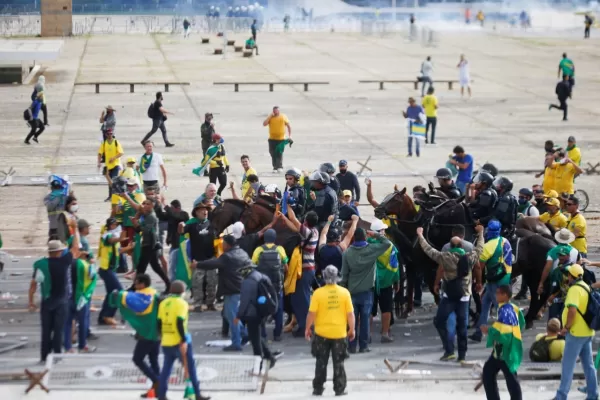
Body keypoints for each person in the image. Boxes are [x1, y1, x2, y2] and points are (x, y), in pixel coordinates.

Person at [417, 224, 484, 362]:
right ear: (462, 244)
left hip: (448, 295)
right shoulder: (469, 257)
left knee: (440, 321)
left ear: (451, 246)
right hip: (464, 295)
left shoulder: (444, 257)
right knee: (462, 326)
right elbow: (479, 248)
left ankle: (449, 350)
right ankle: (462, 356)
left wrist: (420, 235)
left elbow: (428, 249)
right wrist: (481, 233)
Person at [195, 235, 252, 350]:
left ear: (228, 245)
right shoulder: (242, 253)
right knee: (227, 314)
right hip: (241, 288)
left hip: (232, 290)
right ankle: (245, 334)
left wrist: (197, 264)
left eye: (223, 243)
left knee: (232, 317)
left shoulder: (227, 257)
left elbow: (213, 264)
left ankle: (236, 343)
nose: (222, 245)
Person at [340, 227, 392, 353]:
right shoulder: (372, 250)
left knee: (351, 319)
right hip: (367, 292)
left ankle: (351, 346)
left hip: (351, 292)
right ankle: (364, 346)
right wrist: (375, 234)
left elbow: (344, 275)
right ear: (365, 237)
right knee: (364, 319)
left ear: (354, 238)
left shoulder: (347, 253)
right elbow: (388, 244)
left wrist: (343, 291)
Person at [29, 235, 80, 363]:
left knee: (46, 330)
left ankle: (44, 356)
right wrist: (75, 229)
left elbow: (33, 285)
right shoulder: (65, 262)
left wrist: (31, 301)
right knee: (58, 330)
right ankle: (56, 355)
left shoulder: (40, 264)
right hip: (61, 302)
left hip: (47, 302)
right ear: (59, 251)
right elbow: (75, 247)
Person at [306, 265, 355, 396]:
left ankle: (318, 388)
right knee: (339, 362)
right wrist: (352, 329)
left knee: (321, 361)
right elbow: (350, 314)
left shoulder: (318, 293)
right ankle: (339, 389)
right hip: (339, 333)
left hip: (321, 334)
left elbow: (311, 314)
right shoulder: (344, 293)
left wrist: (307, 329)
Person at [157, 281, 211, 400]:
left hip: (166, 340)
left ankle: (161, 394)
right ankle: (196, 393)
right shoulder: (182, 303)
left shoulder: (163, 303)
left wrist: (161, 336)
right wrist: (183, 340)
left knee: (166, 369)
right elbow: (179, 322)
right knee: (190, 368)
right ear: (183, 292)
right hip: (179, 341)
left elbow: (159, 322)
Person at [110, 274, 161, 398]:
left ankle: (157, 381)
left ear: (142, 284)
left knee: (137, 359)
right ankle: (158, 389)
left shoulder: (142, 296)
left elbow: (123, 298)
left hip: (147, 334)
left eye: (136, 283)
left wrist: (117, 294)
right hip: (158, 333)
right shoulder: (155, 293)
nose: (135, 286)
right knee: (153, 360)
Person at [553, 264, 597, 400]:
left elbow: (572, 310)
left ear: (571, 276)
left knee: (567, 365)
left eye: (568, 275)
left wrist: (566, 327)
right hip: (587, 332)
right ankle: (593, 394)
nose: (567, 277)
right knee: (589, 366)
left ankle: (561, 396)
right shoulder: (585, 286)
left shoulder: (574, 290)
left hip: (576, 333)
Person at [278, 207, 319, 338]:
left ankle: (305, 327)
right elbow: (294, 226)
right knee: (298, 298)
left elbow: (294, 219)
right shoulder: (313, 231)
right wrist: (284, 218)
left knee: (303, 300)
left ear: (306, 221)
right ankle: (303, 324)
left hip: (305, 270)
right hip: (308, 269)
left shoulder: (307, 232)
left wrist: (288, 204)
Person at [470, 220, 513, 343]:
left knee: (501, 308)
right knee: (485, 305)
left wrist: (478, 282)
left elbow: (479, 267)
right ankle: (479, 332)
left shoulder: (488, 246)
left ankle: (506, 334)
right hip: (504, 277)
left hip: (496, 282)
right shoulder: (505, 241)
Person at [481, 285, 525, 400]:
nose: (496, 295)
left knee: (510, 378)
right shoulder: (512, 307)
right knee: (489, 373)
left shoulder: (505, 311)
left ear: (505, 295)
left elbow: (503, 331)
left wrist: (488, 331)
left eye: (498, 293)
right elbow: (522, 323)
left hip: (505, 351)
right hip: (502, 349)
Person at [237, 264, 278, 369]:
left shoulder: (248, 282)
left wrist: (239, 316)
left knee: (255, 342)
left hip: (252, 314)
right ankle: (269, 357)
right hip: (262, 311)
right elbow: (273, 292)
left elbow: (244, 301)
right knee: (256, 336)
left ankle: (258, 365)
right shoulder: (262, 276)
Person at [125, 196, 171, 291]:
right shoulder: (147, 215)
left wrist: (135, 223)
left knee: (141, 267)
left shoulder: (151, 216)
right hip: (149, 244)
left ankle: (134, 287)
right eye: (144, 203)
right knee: (155, 267)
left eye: (148, 204)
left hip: (150, 245)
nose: (145, 206)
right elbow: (140, 230)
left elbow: (145, 231)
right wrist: (135, 222)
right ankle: (169, 285)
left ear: (153, 206)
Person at [64, 226, 97, 354]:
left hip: (68, 297)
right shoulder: (86, 266)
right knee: (82, 322)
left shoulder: (66, 263)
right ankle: (82, 345)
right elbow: (93, 278)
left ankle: (67, 347)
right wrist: (91, 262)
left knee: (67, 323)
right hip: (82, 298)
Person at [179, 201, 217, 310]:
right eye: (201, 210)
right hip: (197, 261)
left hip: (211, 260)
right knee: (197, 284)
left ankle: (210, 303)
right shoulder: (191, 226)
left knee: (212, 283)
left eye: (205, 210)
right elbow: (181, 232)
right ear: (196, 213)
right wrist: (180, 226)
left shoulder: (212, 224)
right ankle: (197, 304)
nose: (204, 212)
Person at [252, 229, 288, 341]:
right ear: (274, 238)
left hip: (263, 286)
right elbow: (286, 266)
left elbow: (253, 265)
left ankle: (262, 334)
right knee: (278, 308)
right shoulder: (280, 249)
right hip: (277, 285)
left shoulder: (258, 250)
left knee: (262, 308)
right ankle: (277, 334)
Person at [369, 219, 401, 343]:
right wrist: (397, 281)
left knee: (369, 310)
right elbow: (395, 266)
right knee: (386, 309)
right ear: (380, 232)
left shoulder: (367, 245)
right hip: (386, 283)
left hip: (370, 283)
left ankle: (367, 334)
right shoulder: (389, 246)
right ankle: (385, 334)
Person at [97, 217, 125, 326]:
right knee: (118, 291)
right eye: (115, 225)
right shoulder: (106, 235)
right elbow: (110, 241)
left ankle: (104, 317)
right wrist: (119, 239)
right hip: (105, 269)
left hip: (111, 269)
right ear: (110, 226)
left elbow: (118, 250)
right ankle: (108, 316)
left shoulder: (114, 236)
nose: (117, 226)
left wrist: (128, 247)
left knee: (110, 293)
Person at [537, 229, 579, 295]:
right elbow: (578, 267)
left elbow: (547, 269)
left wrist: (541, 283)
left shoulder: (552, 251)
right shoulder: (575, 251)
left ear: (558, 239)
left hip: (556, 280)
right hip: (571, 280)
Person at [97, 128, 123, 201]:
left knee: (114, 180)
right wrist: (99, 162)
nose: (110, 135)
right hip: (108, 165)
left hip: (115, 165)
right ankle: (110, 196)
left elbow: (121, 153)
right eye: (108, 134)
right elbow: (100, 153)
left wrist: (114, 158)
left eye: (111, 134)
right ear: (106, 135)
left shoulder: (116, 142)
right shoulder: (104, 143)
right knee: (109, 181)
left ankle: (115, 196)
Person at [263, 106, 291, 173]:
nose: (275, 112)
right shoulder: (270, 118)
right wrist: (269, 116)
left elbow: (289, 126)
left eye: (277, 111)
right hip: (272, 139)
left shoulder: (283, 117)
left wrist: (290, 136)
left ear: (279, 111)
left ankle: (279, 166)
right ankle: (275, 167)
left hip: (281, 139)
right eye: (274, 111)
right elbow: (264, 124)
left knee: (279, 152)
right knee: (272, 153)